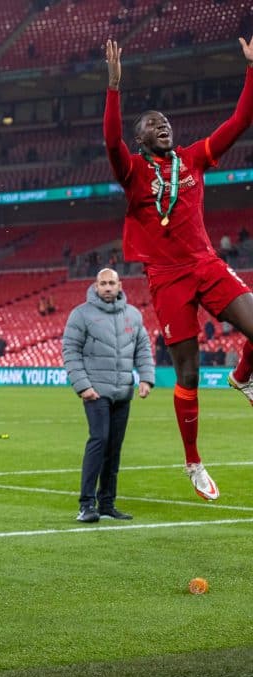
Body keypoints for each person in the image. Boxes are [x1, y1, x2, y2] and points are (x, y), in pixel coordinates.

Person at [105, 37, 253, 501]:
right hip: (167, 278)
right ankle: (193, 462)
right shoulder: (131, 171)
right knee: (187, 375)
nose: (163, 126)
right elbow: (110, 140)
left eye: (166, 122)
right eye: (153, 124)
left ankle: (243, 374)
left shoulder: (193, 159)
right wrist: (114, 87)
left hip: (206, 264)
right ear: (141, 138)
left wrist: (252, 69)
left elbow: (241, 121)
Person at [62, 268, 155, 523]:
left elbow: (143, 348)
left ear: (119, 285)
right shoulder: (81, 314)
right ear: (95, 286)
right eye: (102, 283)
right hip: (95, 391)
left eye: (111, 283)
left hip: (122, 391)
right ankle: (86, 504)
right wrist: (82, 386)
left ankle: (106, 503)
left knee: (114, 447)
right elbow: (70, 350)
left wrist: (146, 378)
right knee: (99, 440)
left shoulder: (133, 315)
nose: (107, 287)